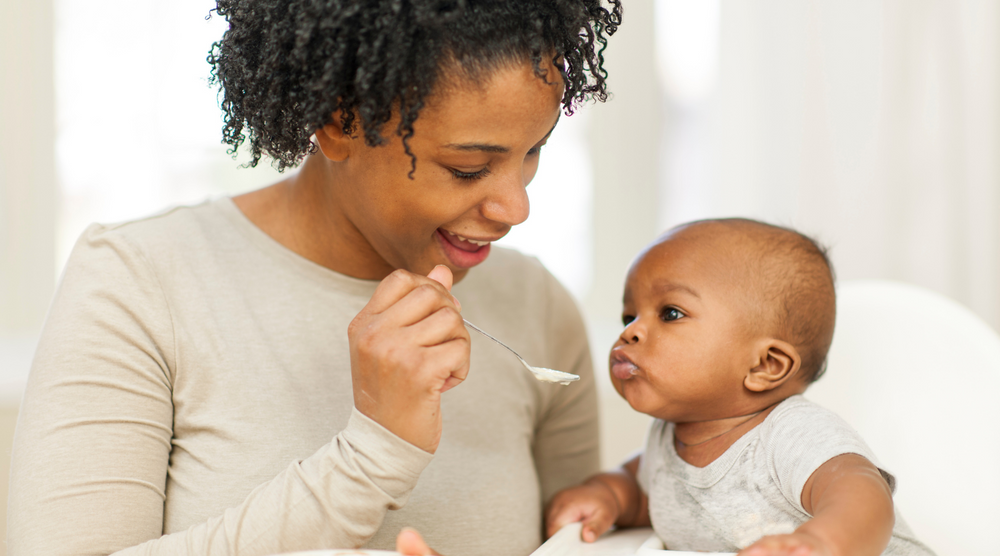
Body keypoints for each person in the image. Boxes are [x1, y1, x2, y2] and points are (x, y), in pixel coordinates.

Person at [7, 1, 623, 555]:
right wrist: (375, 454)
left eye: (534, 150)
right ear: (339, 122)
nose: (516, 208)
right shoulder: (139, 282)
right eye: (467, 168)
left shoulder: (538, 305)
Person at [545, 219, 936, 556]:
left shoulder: (790, 434)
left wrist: (821, 542)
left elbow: (864, 493)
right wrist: (608, 497)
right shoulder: (666, 439)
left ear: (765, 365)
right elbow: (648, 494)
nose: (631, 332)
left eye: (671, 313)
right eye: (629, 315)